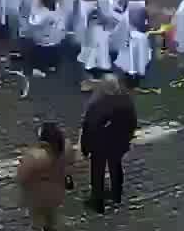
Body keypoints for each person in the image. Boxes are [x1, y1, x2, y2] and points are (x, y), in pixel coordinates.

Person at [80, 74, 136, 213]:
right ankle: (116, 194)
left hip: (100, 145)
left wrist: (85, 148)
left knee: (97, 172)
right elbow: (132, 123)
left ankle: (97, 202)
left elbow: (89, 127)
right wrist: (127, 140)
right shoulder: (126, 100)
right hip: (118, 143)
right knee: (115, 166)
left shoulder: (98, 104)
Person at [16, 122, 70, 231]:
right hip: (57, 193)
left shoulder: (34, 157)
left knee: (36, 222)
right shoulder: (66, 150)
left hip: (37, 196)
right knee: (51, 219)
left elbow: (21, 177)